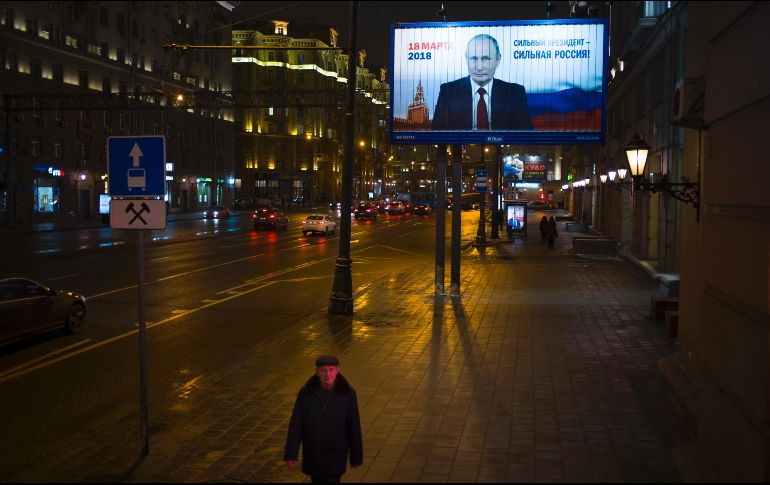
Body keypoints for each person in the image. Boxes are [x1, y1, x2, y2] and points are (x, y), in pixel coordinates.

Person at [284, 355, 363, 483]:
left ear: (337, 371)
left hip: (335, 453)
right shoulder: (306, 393)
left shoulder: (347, 394)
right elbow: (296, 424)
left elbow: (353, 426)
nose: (328, 374)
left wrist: (356, 456)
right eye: (323, 370)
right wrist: (291, 453)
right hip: (313, 453)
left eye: (331, 370)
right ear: (317, 372)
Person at [431, 33, 533, 131]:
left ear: (498, 60)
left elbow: (526, 135)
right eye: (474, 59)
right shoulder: (448, 91)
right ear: (466, 59)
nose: (479, 67)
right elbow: (437, 134)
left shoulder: (515, 93)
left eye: (485, 59)